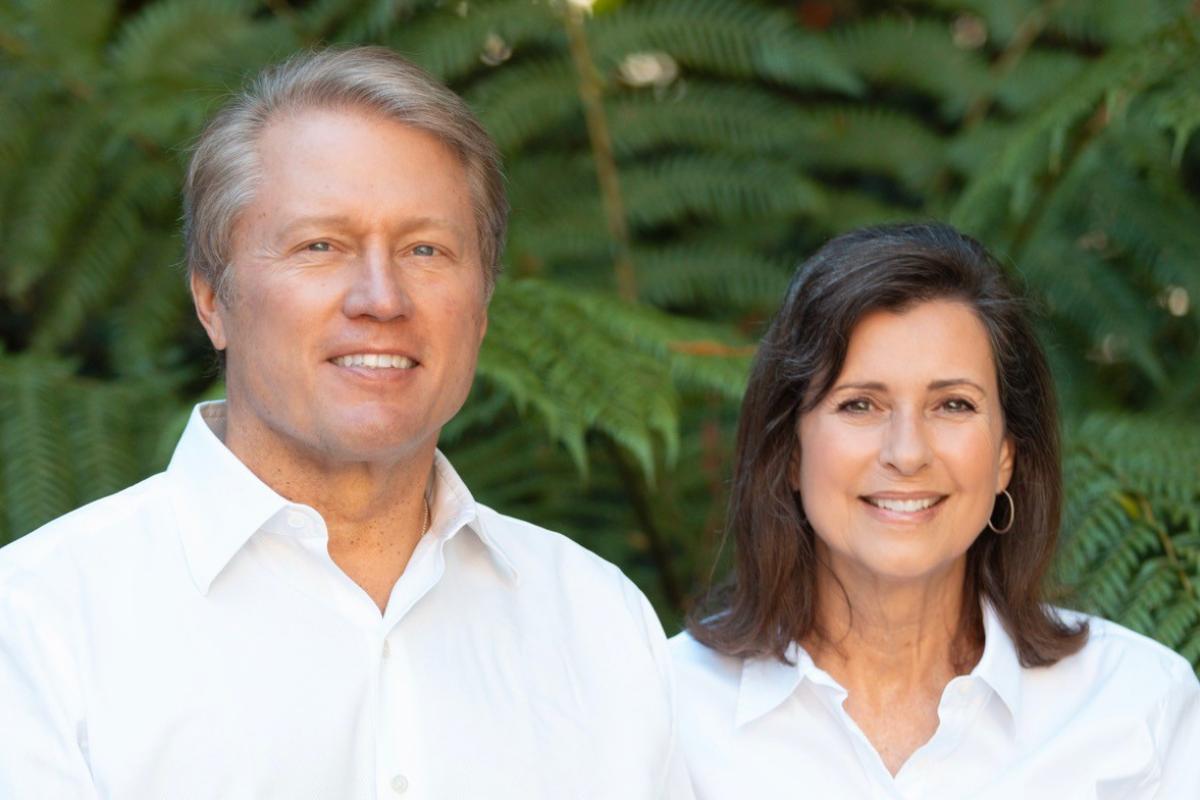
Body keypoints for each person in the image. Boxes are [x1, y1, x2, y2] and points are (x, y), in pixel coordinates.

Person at [0, 47, 690, 799]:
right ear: (211, 299)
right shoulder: (40, 626)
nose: (381, 298)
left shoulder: (596, 618)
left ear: (483, 307)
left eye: (425, 249)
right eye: (320, 246)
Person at [670, 223, 1200, 798]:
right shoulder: (671, 709)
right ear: (791, 452)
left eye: (952, 404)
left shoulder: (1140, 705)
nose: (907, 453)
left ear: (1005, 455)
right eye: (860, 404)